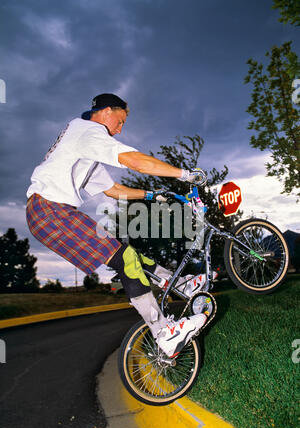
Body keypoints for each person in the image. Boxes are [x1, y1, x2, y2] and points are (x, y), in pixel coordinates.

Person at [26, 93, 209, 358]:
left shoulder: (81, 143)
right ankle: (164, 333)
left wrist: (151, 195)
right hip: (50, 209)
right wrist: (184, 174)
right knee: (126, 260)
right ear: (106, 111)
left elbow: (113, 189)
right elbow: (134, 161)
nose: (120, 129)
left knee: (128, 255)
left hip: (48, 212)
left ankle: (182, 284)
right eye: (120, 121)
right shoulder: (89, 131)